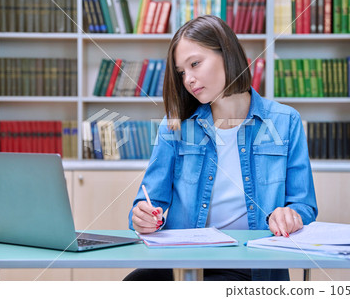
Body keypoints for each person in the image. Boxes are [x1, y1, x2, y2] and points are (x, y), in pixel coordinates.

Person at [124, 15, 317, 281]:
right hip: (182, 260)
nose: (188, 79)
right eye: (182, 72)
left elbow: (305, 206)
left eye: (195, 64)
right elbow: (148, 201)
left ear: (226, 54)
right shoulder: (176, 127)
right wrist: (142, 217)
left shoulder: (285, 122)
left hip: (250, 265)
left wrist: (291, 214)